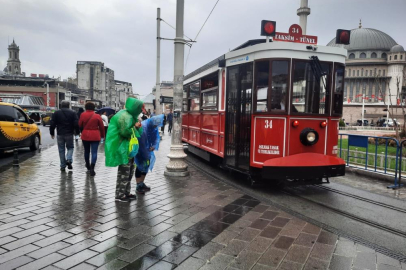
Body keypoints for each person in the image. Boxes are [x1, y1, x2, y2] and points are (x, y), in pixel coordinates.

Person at [105, 97, 144, 202]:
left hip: (128, 148)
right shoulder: (125, 116)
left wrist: (136, 127)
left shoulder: (129, 115)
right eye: (140, 108)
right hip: (124, 149)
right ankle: (121, 195)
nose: (141, 111)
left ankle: (126, 192)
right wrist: (135, 127)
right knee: (125, 172)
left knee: (129, 171)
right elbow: (124, 132)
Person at [134, 114, 164, 195]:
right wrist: (145, 152)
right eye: (155, 125)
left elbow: (156, 137)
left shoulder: (153, 127)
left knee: (145, 166)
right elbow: (142, 142)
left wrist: (154, 146)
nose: (156, 126)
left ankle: (141, 183)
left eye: (157, 125)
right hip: (140, 150)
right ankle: (138, 185)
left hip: (147, 149)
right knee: (139, 166)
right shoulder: (144, 126)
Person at [50, 101, 79, 171]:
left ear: (61, 105)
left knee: (61, 150)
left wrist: (52, 133)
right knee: (70, 147)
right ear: (68, 105)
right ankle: (69, 159)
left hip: (60, 133)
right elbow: (76, 124)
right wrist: (77, 132)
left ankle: (62, 166)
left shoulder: (56, 113)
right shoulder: (73, 113)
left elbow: (52, 124)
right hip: (69, 133)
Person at [79, 102, 105, 176]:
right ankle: (92, 168)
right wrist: (102, 136)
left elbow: (80, 124)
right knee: (94, 152)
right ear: (94, 108)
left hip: (85, 135)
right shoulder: (97, 116)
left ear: (86, 107)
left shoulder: (82, 114)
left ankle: (87, 166)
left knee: (86, 151)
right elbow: (102, 127)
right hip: (95, 136)